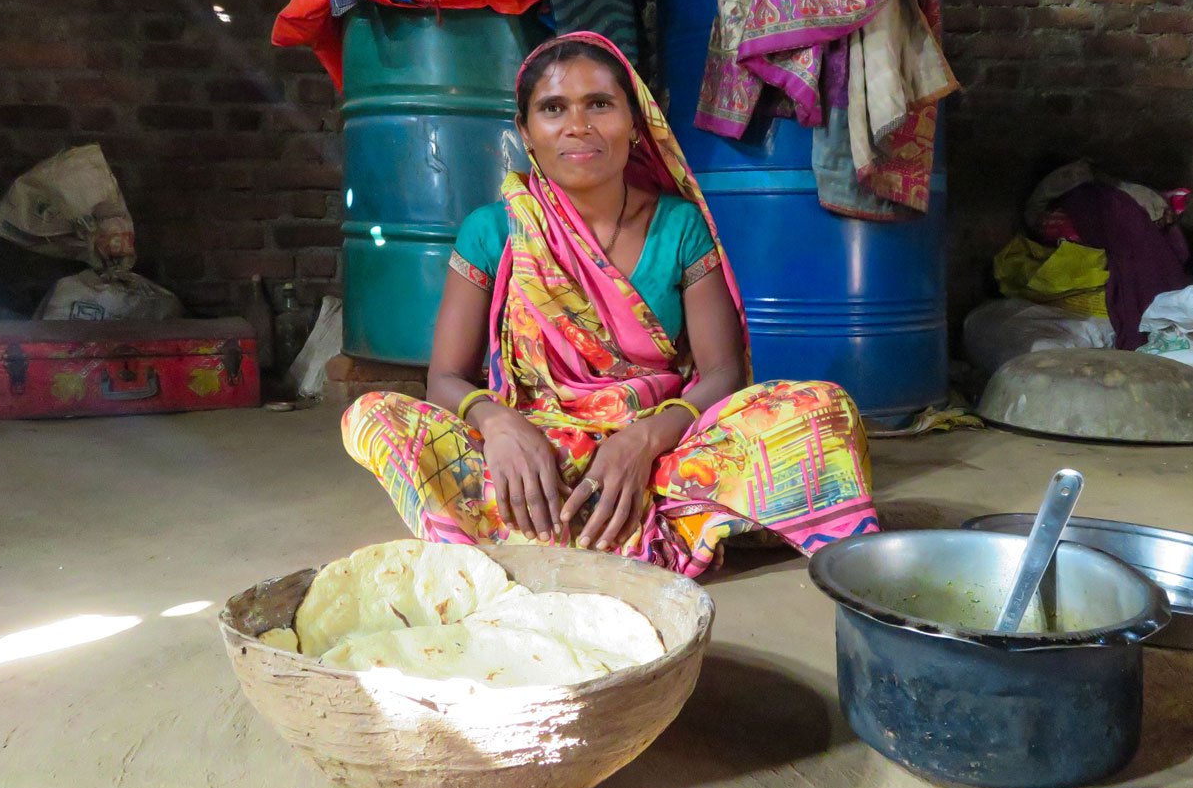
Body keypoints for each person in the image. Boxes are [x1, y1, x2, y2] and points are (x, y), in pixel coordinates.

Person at [343, 32, 878, 577]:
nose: (579, 126)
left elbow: (723, 372)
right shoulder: (493, 229)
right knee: (377, 418)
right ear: (525, 130)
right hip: (538, 450)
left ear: (635, 119)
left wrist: (643, 440)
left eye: (600, 103)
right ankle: (654, 527)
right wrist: (501, 426)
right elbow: (445, 379)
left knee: (822, 409)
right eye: (553, 109)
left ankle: (545, 535)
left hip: (662, 449)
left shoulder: (677, 225)